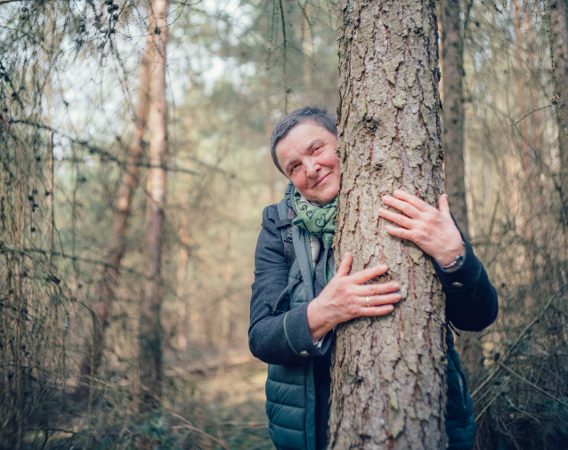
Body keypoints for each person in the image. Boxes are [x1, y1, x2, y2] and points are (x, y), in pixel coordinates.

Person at [249, 106, 498, 450]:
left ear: (343, 141)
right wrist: (323, 312)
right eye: (294, 167)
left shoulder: (407, 193)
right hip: (312, 430)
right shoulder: (278, 227)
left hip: (428, 418)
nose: (310, 168)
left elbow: (479, 316)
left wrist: (454, 257)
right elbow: (261, 336)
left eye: (316, 149)